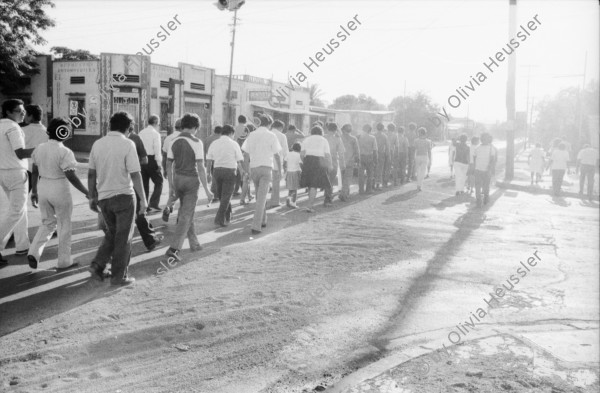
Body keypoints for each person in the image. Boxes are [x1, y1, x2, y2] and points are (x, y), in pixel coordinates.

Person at [87, 112, 147, 286]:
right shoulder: (128, 144)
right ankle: (119, 276)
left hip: (104, 197)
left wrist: (92, 196)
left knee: (113, 234)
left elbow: (91, 174)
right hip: (124, 197)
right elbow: (135, 174)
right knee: (124, 238)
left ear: (109, 125)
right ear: (129, 128)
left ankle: (98, 264)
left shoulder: (97, 144)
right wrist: (143, 199)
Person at [27, 118, 89, 269]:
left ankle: (34, 252)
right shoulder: (65, 151)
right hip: (59, 187)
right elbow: (71, 176)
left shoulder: (39, 148)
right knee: (64, 224)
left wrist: (34, 191)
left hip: (43, 187)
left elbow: (34, 171)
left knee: (47, 222)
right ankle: (64, 261)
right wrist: (87, 192)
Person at [165, 113, 213, 261]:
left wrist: (171, 186)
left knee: (187, 212)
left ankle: (194, 243)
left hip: (177, 179)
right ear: (195, 127)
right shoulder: (197, 142)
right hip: (191, 181)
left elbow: (168, 165)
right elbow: (200, 167)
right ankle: (174, 248)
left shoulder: (173, 141)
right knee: (186, 215)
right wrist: (207, 189)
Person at [0, 99, 35, 265]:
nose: (23, 113)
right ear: (8, 112)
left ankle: (22, 245)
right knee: (17, 210)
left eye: (23, 110)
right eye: (18, 111)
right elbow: (20, 153)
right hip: (15, 172)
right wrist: (42, 148)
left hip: (2, 172)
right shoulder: (13, 127)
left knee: (19, 210)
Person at [241, 113, 282, 234]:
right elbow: (277, 155)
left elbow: (246, 154)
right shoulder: (271, 135)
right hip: (266, 168)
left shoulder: (251, 135)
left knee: (260, 196)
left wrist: (246, 170)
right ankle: (256, 225)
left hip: (254, 168)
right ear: (269, 124)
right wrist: (279, 170)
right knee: (262, 197)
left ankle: (263, 220)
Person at [128, 126, 163, 250]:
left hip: (110, 183)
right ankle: (150, 240)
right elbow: (144, 160)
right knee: (139, 210)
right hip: (130, 177)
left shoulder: (103, 141)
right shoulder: (134, 138)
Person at [206, 124, 244, 227]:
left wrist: (208, 173)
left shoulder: (214, 143)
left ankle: (228, 215)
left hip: (217, 171)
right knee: (226, 196)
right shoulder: (234, 143)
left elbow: (209, 159)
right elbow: (240, 160)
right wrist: (243, 172)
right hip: (230, 171)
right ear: (231, 133)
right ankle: (219, 219)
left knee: (223, 195)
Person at [300, 125, 332, 213]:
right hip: (319, 161)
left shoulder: (306, 139)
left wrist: (304, 162)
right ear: (321, 132)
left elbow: (302, 154)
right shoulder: (324, 140)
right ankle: (309, 206)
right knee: (314, 185)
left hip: (308, 160)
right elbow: (327, 155)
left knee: (310, 184)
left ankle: (309, 204)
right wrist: (330, 165)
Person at [139, 114, 163, 212]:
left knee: (144, 183)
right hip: (152, 159)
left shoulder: (141, 132)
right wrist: (159, 164)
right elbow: (157, 150)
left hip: (142, 159)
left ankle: (144, 205)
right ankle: (153, 203)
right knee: (159, 181)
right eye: (159, 123)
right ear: (156, 123)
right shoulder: (155, 134)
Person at [22, 104, 48, 192]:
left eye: (25, 114)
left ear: (31, 116)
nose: (24, 117)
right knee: (44, 198)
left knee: (21, 200)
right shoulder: (48, 132)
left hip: (26, 170)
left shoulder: (22, 131)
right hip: (43, 170)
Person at [161, 117, 182, 222]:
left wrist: (164, 169)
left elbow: (164, 155)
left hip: (171, 167)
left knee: (172, 191)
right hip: (181, 168)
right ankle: (180, 216)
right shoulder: (185, 137)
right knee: (183, 193)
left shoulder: (168, 138)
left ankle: (168, 207)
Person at [472, 133, 497, 206]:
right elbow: (474, 159)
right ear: (481, 139)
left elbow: (492, 160)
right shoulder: (477, 148)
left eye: (485, 138)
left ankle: (485, 198)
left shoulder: (491, 148)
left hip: (486, 170)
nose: (484, 140)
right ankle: (478, 200)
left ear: (488, 139)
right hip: (478, 170)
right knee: (478, 186)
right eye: (483, 138)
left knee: (485, 186)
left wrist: (490, 168)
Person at [323, 122, 345, 205]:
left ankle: (327, 194)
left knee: (325, 179)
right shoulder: (337, 139)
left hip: (322, 161)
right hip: (333, 161)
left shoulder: (323, 137)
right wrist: (342, 164)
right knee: (330, 180)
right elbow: (341, 152)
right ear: (336, 130)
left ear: (327, 129)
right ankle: (327, 198)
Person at [269, 120, 288, 208]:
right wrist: (286, 162)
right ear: (280, 127)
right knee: (276, 182)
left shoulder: (267, 133)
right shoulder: (282, 136)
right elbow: (285, 151)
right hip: (277, 163)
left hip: (265, 161)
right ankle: (275, 201)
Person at [340, 123, 360, 201]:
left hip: (341, 160)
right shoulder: (353, 139)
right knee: (347, 178)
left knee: (342, 178)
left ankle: (345, 192)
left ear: (343, 130)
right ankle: (344, 194)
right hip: (350, 161)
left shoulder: (339, 138)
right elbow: (357, 151)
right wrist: (357, 160)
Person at [357, 124, 378, 194]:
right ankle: (369, 189)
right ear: (370, 130)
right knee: (370, 174)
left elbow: (356, 149)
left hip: (361, 156)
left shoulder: (358, 137)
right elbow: (375, 150)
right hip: (369, 156)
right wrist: (375, 159)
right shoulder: (372, 138)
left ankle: (361, 190)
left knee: (361, 174)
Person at [284, 142, 303, 208]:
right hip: (296, 172)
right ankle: (293, 203)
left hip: (289, 172)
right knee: (295, 189)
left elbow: (284, 163)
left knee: (290, 188)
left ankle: (289, 199)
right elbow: (300, 164)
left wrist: (285, 169)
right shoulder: (298, 155)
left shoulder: (288, 154)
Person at [413, 127, 432, 191]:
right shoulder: (428, 141)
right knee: (423, 172)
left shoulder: (416, 141)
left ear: (420, 133)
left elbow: (414, 150)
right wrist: (430, 159)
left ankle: (418, 184)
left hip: (418, 156)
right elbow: (429, 151)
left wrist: (413, 157)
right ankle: (419, 185)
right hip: (425, 156)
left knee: (418, 171)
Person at [373, 123, 389, 190]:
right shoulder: (385, 136)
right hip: (381, 153)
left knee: (373, 168)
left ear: (376, 128)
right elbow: (387, 147)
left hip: (373, 153)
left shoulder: (373, 135)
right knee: (380, 169)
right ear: (382, 128)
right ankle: (378, 184)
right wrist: (387, 155)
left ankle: (372, 183)